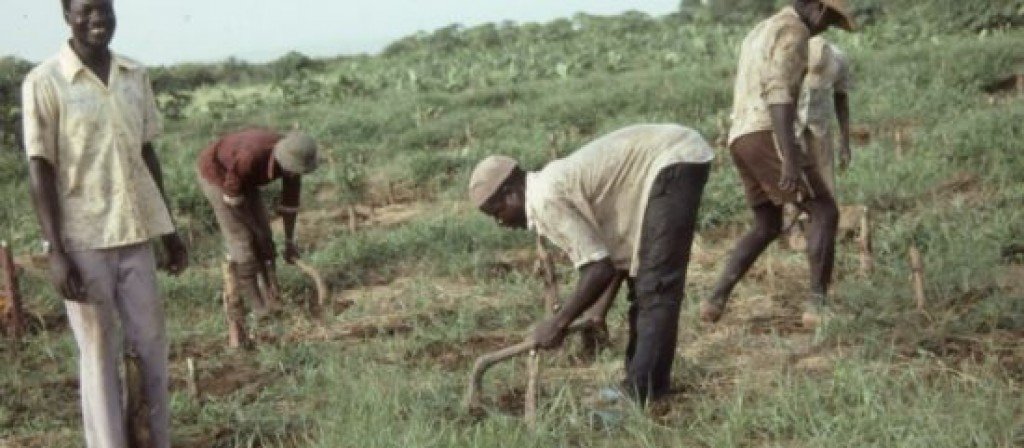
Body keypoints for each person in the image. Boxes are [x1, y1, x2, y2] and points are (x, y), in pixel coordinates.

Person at [22, 0, 188, 446]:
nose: (98, 19)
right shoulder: (45, 81)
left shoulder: (134, 75)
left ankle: (156, 440)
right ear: (67, 16)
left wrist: (169, 232)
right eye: (87, 11)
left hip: (134, 233)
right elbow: (40, 168)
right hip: (82, 239)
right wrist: (56, 251)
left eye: (106, 10)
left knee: (151, 346)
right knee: (98, 354)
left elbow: (146, 155)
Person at [469, 124, 714, 405]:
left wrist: (558, 323)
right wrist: (598, 312)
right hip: (666, 159)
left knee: (656, 287)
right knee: (644, 287)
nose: (500, 223)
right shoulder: (551, 186)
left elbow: (599, 269)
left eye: (498, 213)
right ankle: (641, 386)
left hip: (673, 157)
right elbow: (612, 261)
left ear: (512, 192)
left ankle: (643, 394)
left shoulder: (546, 198)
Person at [699, 0, 856, 328]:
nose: (825, 29)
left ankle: (715, 300)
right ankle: (817, 306)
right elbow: (779, 93)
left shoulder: (761, 30)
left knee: (767, 224)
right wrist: (789, 158)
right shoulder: (794, 31)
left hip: (740, 136)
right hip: (766, 131)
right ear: (818, 8)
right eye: (830, 20)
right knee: (825, 211)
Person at [196, 127, 318, 338]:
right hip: (219, 176)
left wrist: (289, 242)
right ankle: (258, 308)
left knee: (266, 236)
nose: (292, 174)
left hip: (245, 178)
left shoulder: (294, 160)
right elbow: (233, 200)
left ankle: (273, 295)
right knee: (242, 240)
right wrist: (255, 233)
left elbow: (289, 205)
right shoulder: (251, 157)